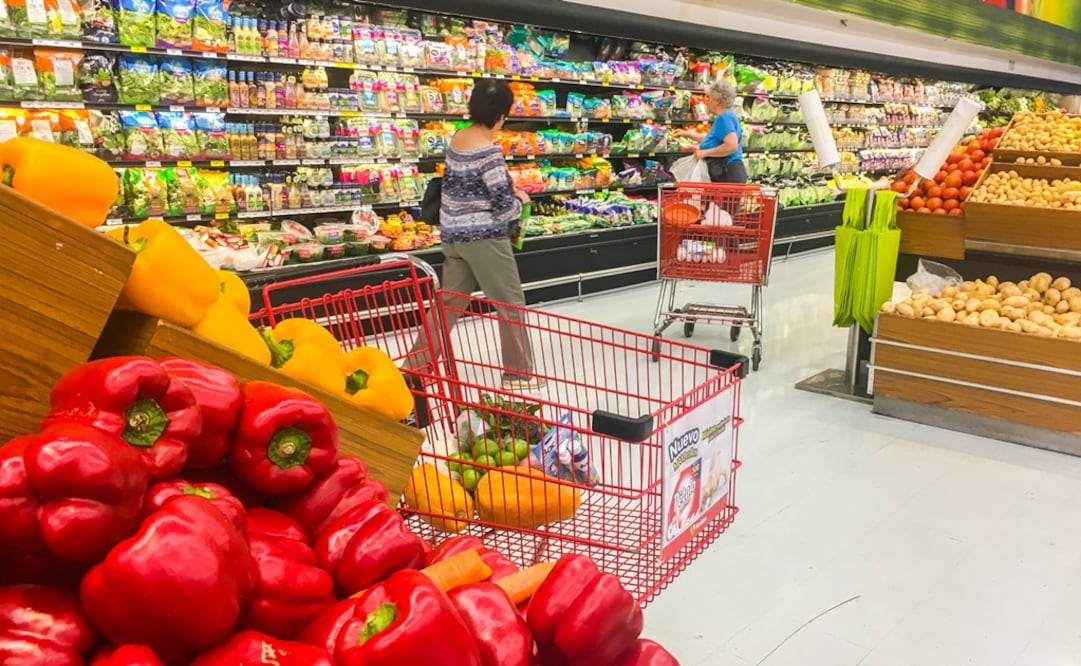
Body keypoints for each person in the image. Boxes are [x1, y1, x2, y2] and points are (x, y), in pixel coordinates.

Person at [406, 80, 544, 391]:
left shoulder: (458, 139)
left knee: (449, 305)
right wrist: (520, 200)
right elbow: (501, 209)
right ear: (501, 116)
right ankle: (518, 375)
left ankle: (415, 367)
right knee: (510, 302)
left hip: (453, 236)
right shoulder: (489, 153)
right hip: (484, 240)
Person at [674, 80, 747, 184]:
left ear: (717, 101)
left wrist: (704, 153)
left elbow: (731, 145)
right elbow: (712, 139)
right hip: (728, 172)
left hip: (727, 172)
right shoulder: (727, 116)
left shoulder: (725, 117)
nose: (706, 101)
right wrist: (688, 134)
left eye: (709, 97)